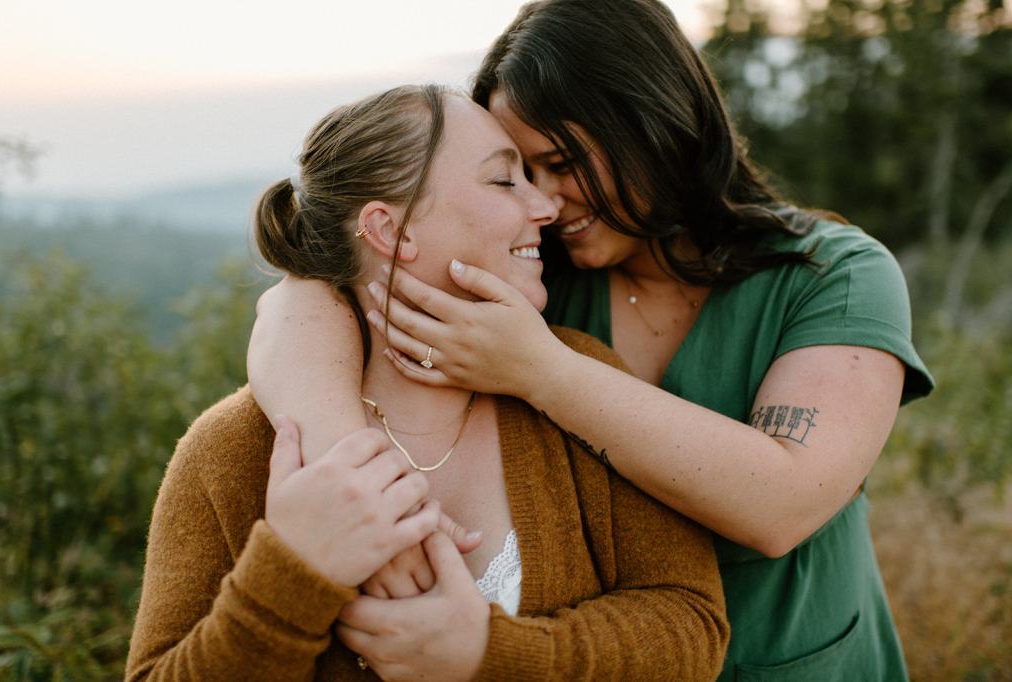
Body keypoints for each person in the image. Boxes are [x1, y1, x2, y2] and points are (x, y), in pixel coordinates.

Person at [246, 1, 936, 680]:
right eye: (517, 172)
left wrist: (542, 371)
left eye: (563, 162)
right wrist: (364, 484)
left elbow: (783, 505)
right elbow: (298, 305)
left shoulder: (834, 275)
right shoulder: (541, 275)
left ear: (652, 122)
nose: (543, 203)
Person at [126, 83, 729, 682]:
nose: (546, 208)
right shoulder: (234, 450)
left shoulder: (580, 382)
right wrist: (293, 573)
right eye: (504, 180)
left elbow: (692, 627)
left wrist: (492, 653)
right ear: (392, 232)